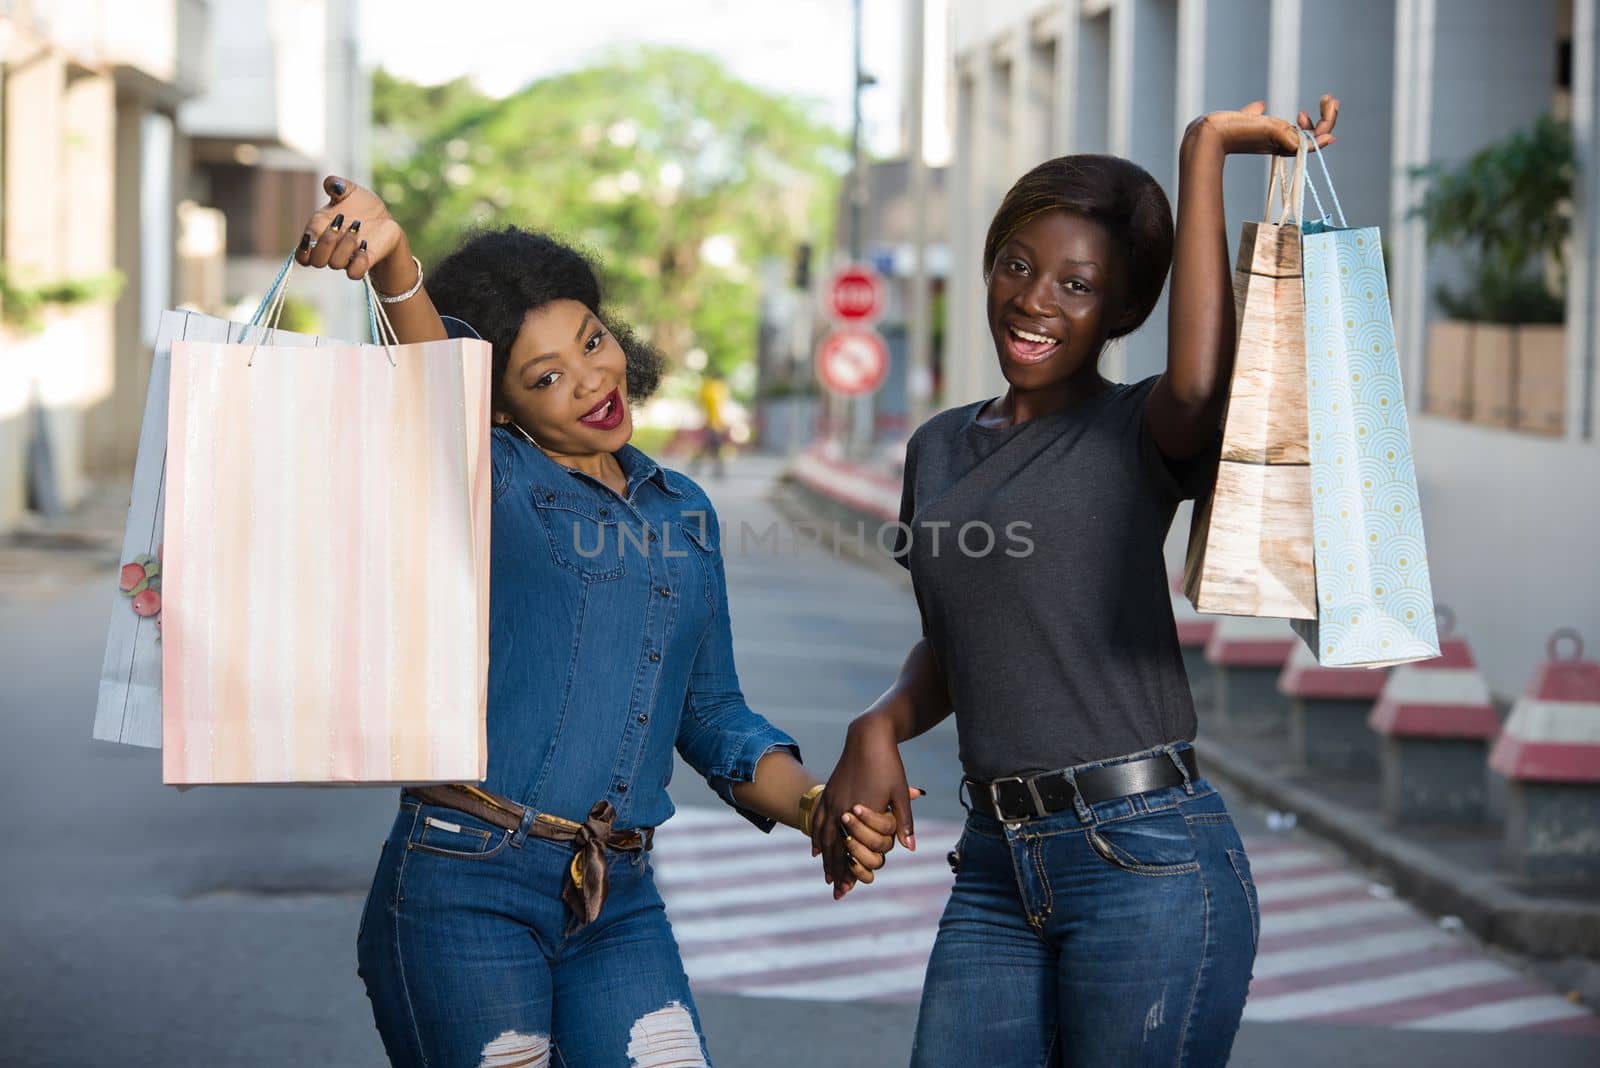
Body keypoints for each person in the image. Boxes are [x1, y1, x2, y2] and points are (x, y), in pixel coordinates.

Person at [290, 180, 913, 1068]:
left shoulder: (683, 508)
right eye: (546, 376)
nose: (591, 381)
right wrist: (393, 267)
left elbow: (712, 713)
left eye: (593, 342)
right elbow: (430, 393)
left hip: (617, 897)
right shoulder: (486, 478)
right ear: (498, 404)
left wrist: (821, 810)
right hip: (467, 888)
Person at [808, 98, 1341, 1066]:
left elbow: (1198, 384)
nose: (1035, 300)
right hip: (995, 866)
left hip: (1145, 858)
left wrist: (1204, 151)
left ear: (1123, 310)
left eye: (1077, 285)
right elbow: (962, 643)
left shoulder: (1142, 426)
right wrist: (877, 722)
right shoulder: (935, 446)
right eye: (1018, 265)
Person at [691, 369, 731, 479]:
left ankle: (696, 465)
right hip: (714, 424)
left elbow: (702, 403)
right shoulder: (717, 389)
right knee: (716, 447)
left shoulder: (708, 387)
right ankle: (718, 470)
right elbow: (717, 408)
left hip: (712, 423)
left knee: (709, 446)